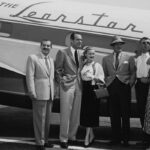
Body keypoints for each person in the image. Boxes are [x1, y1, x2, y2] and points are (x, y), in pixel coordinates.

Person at [102, 35, 136, 146]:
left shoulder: (129, 57)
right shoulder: (105, 58)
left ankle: (125, 139)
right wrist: (107, 84)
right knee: (114, 114)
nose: (118, 46)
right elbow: (105, 74)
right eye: (116, 44)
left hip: (124, 87)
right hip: (112, 88)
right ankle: (115, 138)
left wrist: (129, 84)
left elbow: (133, 72)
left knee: (125, 114)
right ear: (113, 46)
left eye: (120, 44)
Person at [55, 32, 83, 148]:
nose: (80, 42)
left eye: (81, 40)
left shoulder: (82, 54)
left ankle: (72, 137)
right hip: (67, 85)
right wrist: (62, 80)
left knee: (76, 113)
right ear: (71, 41)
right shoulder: (63, 52)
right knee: (66, 112)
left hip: (79, 85)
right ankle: (63, 139)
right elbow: (58, 69)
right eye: (78, 40)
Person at [26, 39, 54, 150]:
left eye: (48, 45)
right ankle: (39, 142)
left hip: (50, 94)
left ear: (51, 47)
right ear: (40, 46)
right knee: (39, 119)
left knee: (47, 119)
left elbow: (51, 78)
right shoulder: (33, 58)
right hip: (39, 93)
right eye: (44, 45)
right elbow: (30, 76)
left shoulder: (51, 59)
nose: (46, 47)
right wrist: (31, 91)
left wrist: (54, 91)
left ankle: (45, 140)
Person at [80, 46, 105, 147]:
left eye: (93, 54)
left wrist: (92, 76)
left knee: (91, 114)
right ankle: (92, 135)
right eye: (90, 54)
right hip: (85, 90)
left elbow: (102, 80)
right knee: (86, 113)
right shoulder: (83, 65)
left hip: (93, 90)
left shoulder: (97, 65)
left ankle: (86, 137)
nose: (92, 56)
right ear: (85, 54)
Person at [136, 37, 150, 147]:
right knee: (141, 110)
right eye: (143, 43)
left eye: (148, 43)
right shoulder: (137, 58)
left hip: (148, 86)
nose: (145, 45)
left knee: (148, 113)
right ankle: (144, 138)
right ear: (140, 45)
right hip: (139, 85)